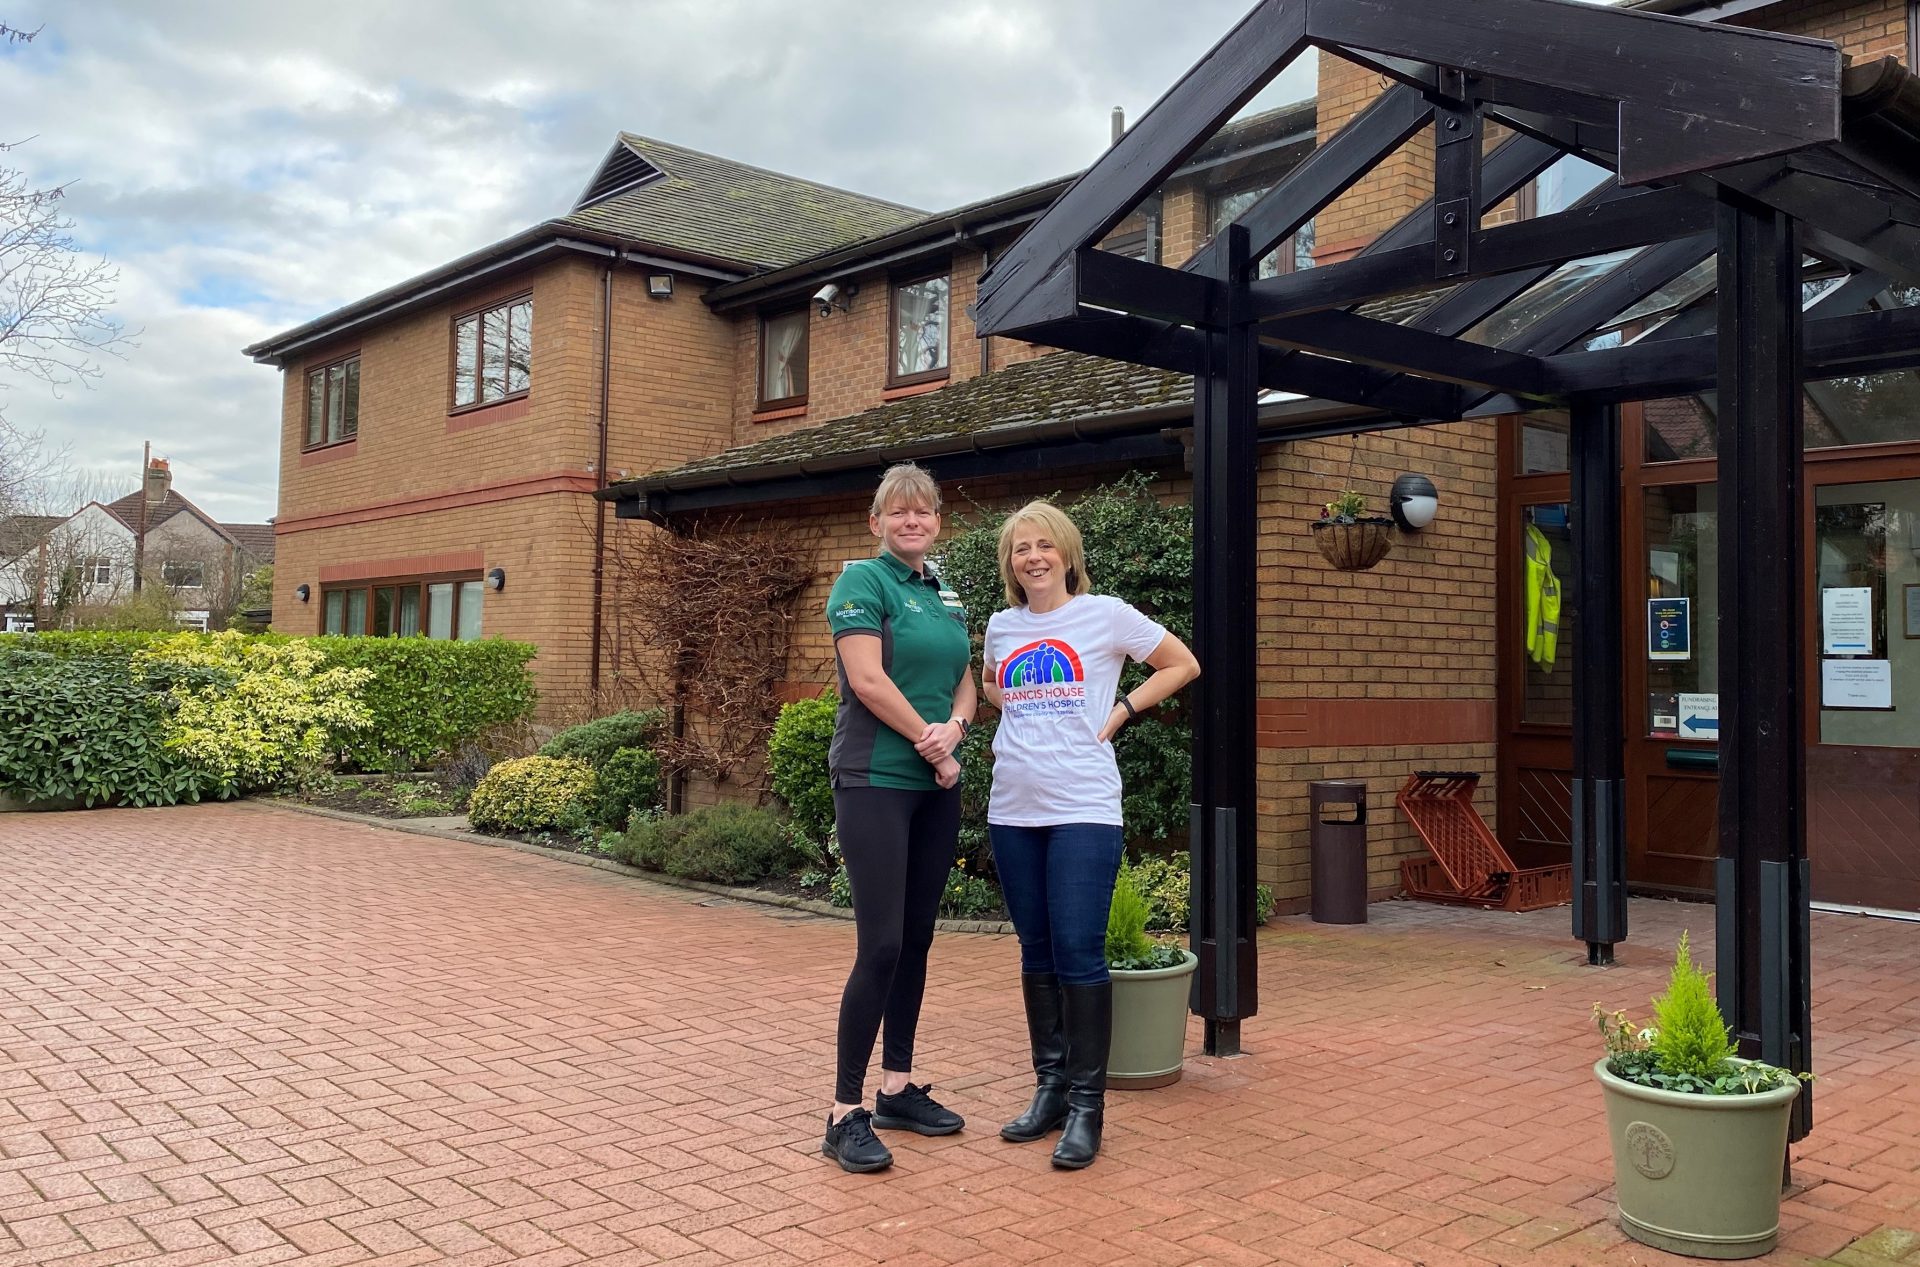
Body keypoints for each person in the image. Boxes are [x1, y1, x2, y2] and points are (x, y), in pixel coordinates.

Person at [981, 499, 1199, 1169]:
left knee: (1078, 953)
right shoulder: (1001, 625)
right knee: (1036, 950)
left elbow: (1181, 662)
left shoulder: (1105, 614)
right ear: (1011, 563)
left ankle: (1086, 1107)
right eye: (1022, 548)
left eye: (1044, 545)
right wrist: (1020, 716)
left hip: (1083, 807)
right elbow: (994, 687)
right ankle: (1049, 1088)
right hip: (1013, 807)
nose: (1034, 557)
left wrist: (1123, 708)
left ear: (1067, 554)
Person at [820, 462, 978, 1174]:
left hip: (934, 782)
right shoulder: (863, 581)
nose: (912, 521)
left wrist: (959, 728)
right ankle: (844, 1111)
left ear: (937, 520)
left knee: (916, 937)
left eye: (924, 511)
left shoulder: (943, 591)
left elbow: (964, 679)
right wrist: (932, 743)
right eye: (898, 512)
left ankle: (897, 1088)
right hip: (877, 779)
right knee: (880, 943)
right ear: (876, 521)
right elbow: (868, 680)